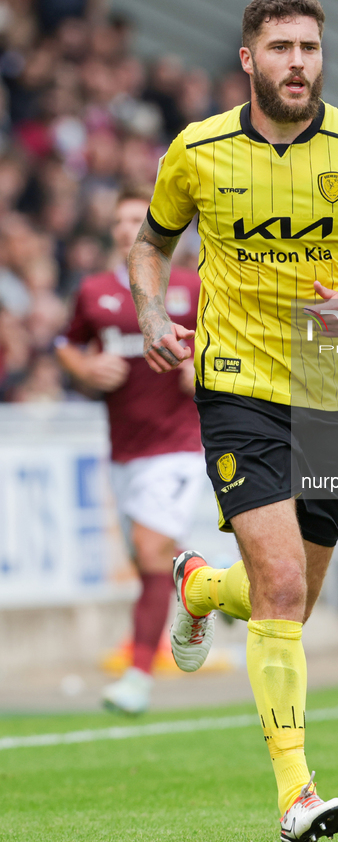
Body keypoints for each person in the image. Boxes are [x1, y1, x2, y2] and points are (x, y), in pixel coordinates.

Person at [127, 0, 338, 841]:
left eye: (308, 47)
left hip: (330, 389)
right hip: (234, 381)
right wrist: (153, 314)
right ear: (248, 61)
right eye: (280, 48)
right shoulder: (195, 151)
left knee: (286, 603)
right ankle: (297, 793)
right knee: (285, 587)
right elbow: (150, 243)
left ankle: (197, 586)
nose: (297, 62)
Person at [55, 185, 204, 714]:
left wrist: (199, 368)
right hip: (123, 450)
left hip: (179, 446)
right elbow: (66, 343)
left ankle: (139, 676)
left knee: (149, 551)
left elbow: (227, 346)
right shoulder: (95, 292)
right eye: (119, 221)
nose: (126, 228)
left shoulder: (192, 285)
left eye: (136, 219)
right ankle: (202, 593)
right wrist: (85, 369)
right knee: (150, 564)